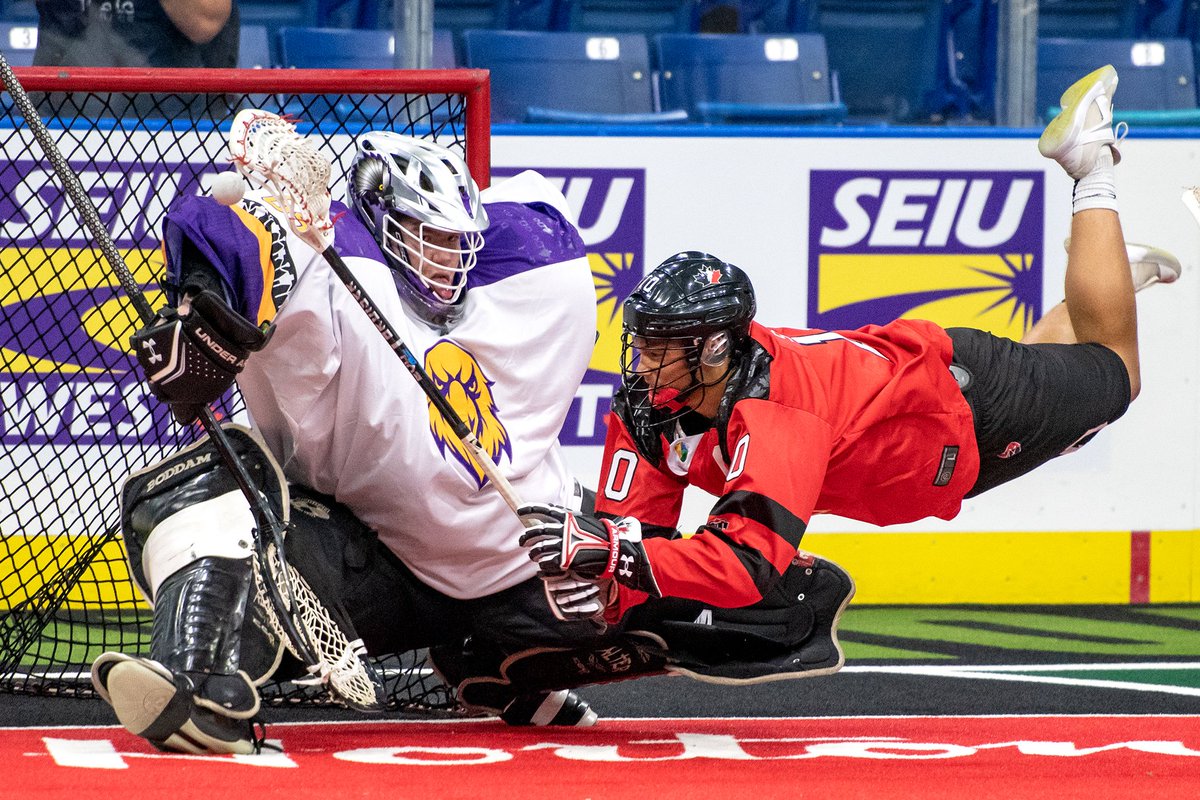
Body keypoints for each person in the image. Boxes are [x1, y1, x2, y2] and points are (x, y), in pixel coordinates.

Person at [518, 65, 1178, 631]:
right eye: (643, 341)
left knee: (1117, 372)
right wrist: (604, 590)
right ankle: (1114, 273)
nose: (640, 360)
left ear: (716, 349)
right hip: (925, 442)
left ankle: (1090, 165)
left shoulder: (777, 414)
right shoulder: (646, 404)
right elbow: (637, 542)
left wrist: (610, 557)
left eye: (664, 345)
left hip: (963, 409)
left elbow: (749, 566)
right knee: (1072, 405)